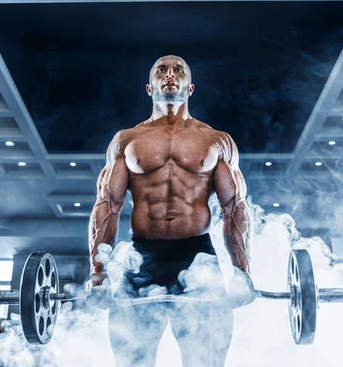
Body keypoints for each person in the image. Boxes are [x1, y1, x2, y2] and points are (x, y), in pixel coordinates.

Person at [88, 55, 255, 366]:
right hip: (142, 259)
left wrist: (242, 273)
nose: (169, 74)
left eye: (178, 70)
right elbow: (108, 207)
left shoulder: (216, 140)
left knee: (204, 360)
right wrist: (97, 275)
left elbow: (234, 209)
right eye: (161, 70)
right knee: (132, 360)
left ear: (190, 88)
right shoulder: (126, 141)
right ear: (149, 88)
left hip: (198, 259)